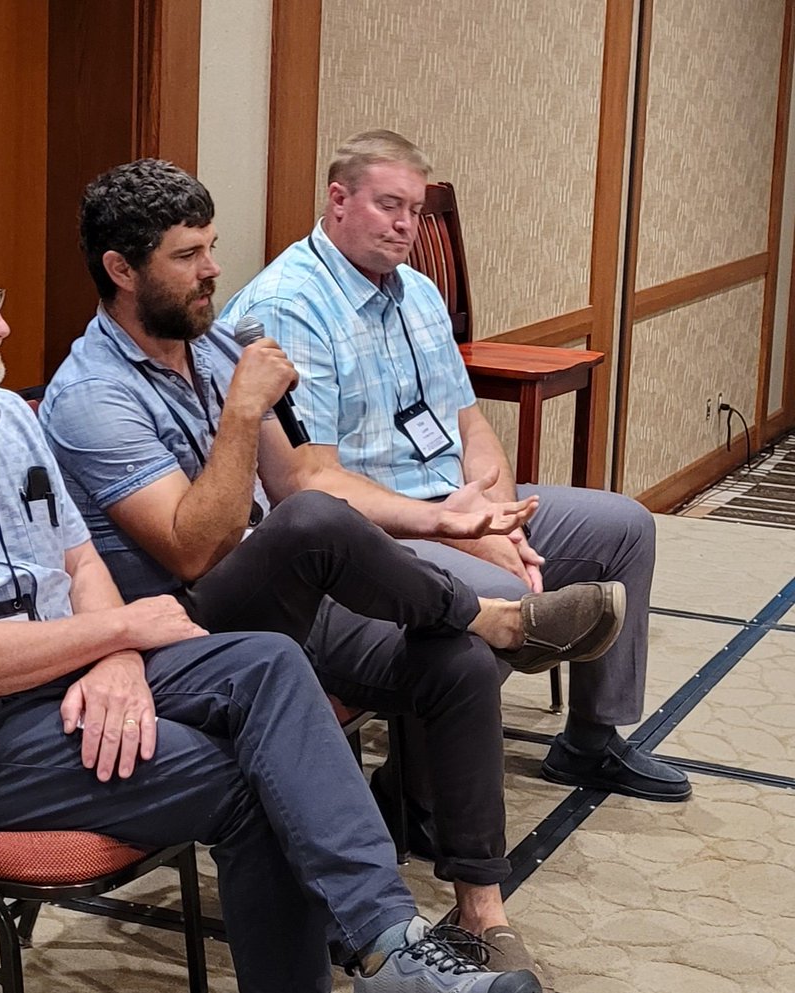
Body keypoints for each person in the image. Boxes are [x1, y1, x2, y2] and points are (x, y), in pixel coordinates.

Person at [0, 219, 543, 993]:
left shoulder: (4, 415)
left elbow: (76, 558)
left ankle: (389, 946)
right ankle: (388, 956)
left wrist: (113, 656)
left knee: (269, 661)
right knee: (255, 777)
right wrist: (118, 632)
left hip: (56, 677)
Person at [39, 159, 624, 985]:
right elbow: (192, 549)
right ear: (122, 270)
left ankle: (480, 910)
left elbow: (293, 479)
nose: (213, 270)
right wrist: (244, 410)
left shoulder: (212, 347)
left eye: (212, 246)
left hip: (277, 593)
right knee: (317, 529)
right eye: (187, 255)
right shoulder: (91, 396)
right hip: (179, 631)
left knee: (450, 662)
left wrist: (446, 517)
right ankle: (486, 614)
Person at [221, 129, 690, 807]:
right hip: (366, 531)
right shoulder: (287, 308)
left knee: (625, 526)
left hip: (452, 502)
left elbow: (470, 424)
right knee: (493, 595)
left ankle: (591, 739)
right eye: (389, 205)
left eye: (414, 208)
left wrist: (499, 519)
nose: (407, 224)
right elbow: (307, 484)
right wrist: (457, 530)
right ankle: (415, 794)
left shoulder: (416, 292)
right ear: (338, 200)